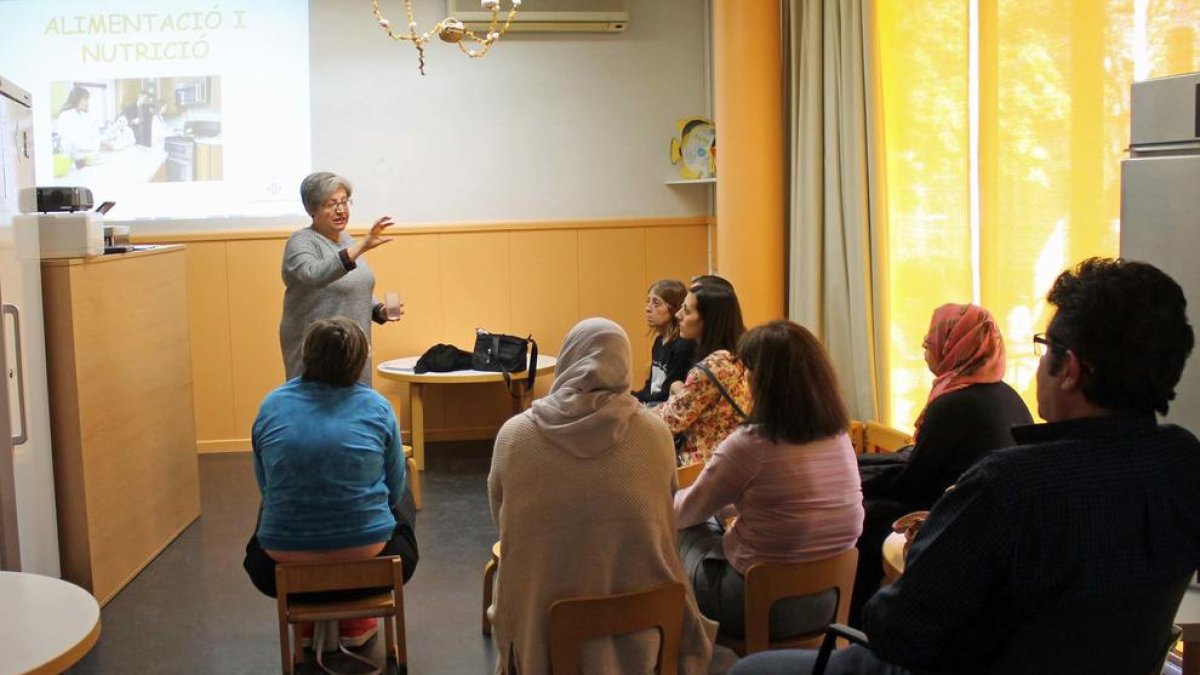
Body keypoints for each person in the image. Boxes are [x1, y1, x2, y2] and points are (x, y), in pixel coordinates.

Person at [730, 257, 1200, 675]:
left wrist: (929, 548)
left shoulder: (1007, 488)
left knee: (751, 669)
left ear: (1071, 368)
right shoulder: (1183, 462)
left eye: (1044, 347)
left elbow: (896, 630)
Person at [488, 318, 716, 675]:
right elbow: (666, 515)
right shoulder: (655, 434)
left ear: (568, 359)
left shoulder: (515, 437)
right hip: (647, 632)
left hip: (544, 635)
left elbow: (503, 522)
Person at [675, 320, 863, 641]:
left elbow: (683, 513)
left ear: (764, 379)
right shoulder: (838, 434)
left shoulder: (751, 443)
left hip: (757, 604)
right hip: (828, 602)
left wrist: (665, 496)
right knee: (722, 518)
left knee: (682, 532)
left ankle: (681, 643)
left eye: (748, 369)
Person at [849, 303, 1032, 626]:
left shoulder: (952, 404)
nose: (923, 348)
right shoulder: (1006, 394)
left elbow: (913, 483)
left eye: (930, 341)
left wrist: (858, 484)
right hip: (987, 516)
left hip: (952, 515)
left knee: (862, 515)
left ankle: (860, 620)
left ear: (954, 346)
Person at [243, 317, 419, 650]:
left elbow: (265, 487)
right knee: (404, 494)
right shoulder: (378, 408)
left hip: (278, 570)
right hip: (372, 568)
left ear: (307, 355)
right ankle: (355, 621)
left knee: (272, 502)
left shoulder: (271, 406)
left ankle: (308, 621)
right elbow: (394, 490)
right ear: (358, 360)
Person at [280, 171, 403, 385]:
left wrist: (378, 310)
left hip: (355, 347)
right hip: (317, 349)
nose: (341, 210)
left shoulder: (347, 240)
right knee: (318, 409)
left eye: (345, 202)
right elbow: (314, 274)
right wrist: (361, 247)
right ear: (311, 209)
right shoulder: (301, 241)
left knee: (355, 408)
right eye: (330, 204)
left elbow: (356, 284)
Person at [658, 283, 751, 465]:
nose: (678, 315)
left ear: (708, 320)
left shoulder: (712, 366)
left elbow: (669, 421)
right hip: (733, 459)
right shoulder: (739, 356)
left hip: (702, 467)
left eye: (686, 310)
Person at [632, 279, 695, 404]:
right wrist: (628, 396)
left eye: (656, 303)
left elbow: (667, 395)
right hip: (653, 404)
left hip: (665, 409)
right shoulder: (659, 341)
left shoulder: (683, 346)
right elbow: (649, 389)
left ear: (674, 309)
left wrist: (634, 401)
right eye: (648, 301)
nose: (648, 308)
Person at [55, 87, 105, 168]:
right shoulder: (66, 116)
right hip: (73, 161)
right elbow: (77, 143)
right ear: (76, 99)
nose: (88, 102)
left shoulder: (82, 115)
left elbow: (93, 134)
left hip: (85, 159)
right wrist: (98, 143)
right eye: (85, 99)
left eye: (88, 99)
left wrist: (100, 141)